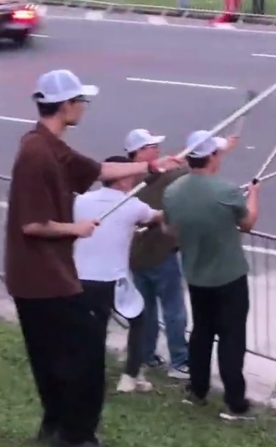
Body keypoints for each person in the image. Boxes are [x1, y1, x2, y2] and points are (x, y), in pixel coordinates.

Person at [5, 69, 181, 447]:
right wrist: (76, 228)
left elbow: (100, 170)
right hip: (40, 278)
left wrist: (152, 166)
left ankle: (59, 429)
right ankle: (76, 435)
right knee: (79, 360)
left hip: (51, 274)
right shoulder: (36, 153)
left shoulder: (51, 145)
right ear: (66, 105)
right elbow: (32, 224)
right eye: (80, 100)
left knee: (60, 359)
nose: (84, 106)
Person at [162, 130, 258, 420]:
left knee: (202, 333)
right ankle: (235, 402)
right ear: (212, 157)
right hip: (229, 277)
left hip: (195, 274)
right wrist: (253, 194)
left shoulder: (173, 191)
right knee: (231, 338)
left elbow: (168, 229)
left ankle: (198, 389)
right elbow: (247, 224)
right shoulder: (227, 192)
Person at [73, 155, 164, 394]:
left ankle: (87, 376)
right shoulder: (131, 205)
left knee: (93, 329)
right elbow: (156, 217)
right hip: (112, 280)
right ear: (122, 179)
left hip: (80, 276)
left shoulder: (81, 201)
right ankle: (130, 375)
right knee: (139, 320)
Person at [125, 128, 190, 379]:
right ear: (139, 152)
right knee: (174, 310)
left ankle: (146, 354)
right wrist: (183, 163)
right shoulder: (158, 177)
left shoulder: (124, 177)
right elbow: (190, 173)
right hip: (160, 252)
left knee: (146, 308)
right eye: (152, 147)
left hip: (134, 255)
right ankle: (179, 361)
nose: (158, 150)